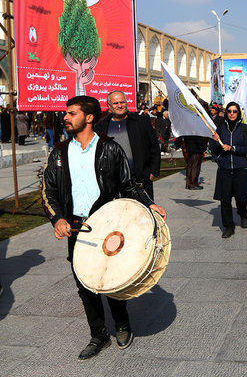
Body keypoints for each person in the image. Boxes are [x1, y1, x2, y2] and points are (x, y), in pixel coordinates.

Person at [41, 95, 167, 361]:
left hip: (108, 223)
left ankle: (122, 325)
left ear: (88, 118)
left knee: (111, 277)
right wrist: (58, 219)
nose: (65, 117)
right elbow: (48, 190)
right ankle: (98, 335)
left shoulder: (110, 149)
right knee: (85, 282)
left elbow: (128, 184)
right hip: (77, 228)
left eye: (72, 113)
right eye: (66, 113)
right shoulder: (60, 152)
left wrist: (149, 204)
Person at [95, 91, 160, 200]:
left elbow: (154, 146)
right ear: (109, 106)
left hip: (140, 181)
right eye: (115, 103)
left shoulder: (141, 121)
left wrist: (154, 171)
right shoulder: (101, 127)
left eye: (122, 102)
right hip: (113, 186)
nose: (120, 106)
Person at [210, 102, 247, 238]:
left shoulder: (245, 129)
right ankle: (229, 226)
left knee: (241, 198)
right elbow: (214, 151)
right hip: (224, 168)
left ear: (238, 113)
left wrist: (233, 148)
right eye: (229, 111)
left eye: (235, 111)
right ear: (226, 113)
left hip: (240, 168)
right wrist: (216, 141)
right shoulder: (221, 129)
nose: (232, 114)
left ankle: (243, 213)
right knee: (225, 200)